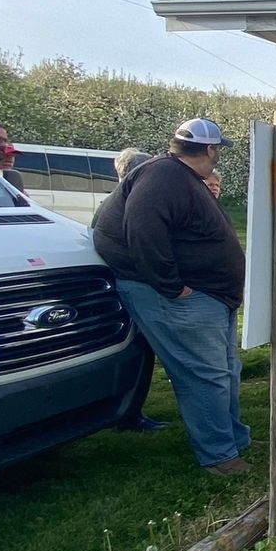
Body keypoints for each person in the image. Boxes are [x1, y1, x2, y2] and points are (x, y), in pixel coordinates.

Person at [91, 118, 251, 476]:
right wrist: (172, 285)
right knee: (204, 374)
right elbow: (143, 230)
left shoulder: (178, 176)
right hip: (179, 298)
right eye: (218, 149)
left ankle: (233, 438)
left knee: (225, 369)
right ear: (211, 149)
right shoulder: (163, 175)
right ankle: (220, 457)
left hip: (209, 296)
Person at [109, 145, 165, 435]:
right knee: (138, 351)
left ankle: (130, 412)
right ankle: (128, 414)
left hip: (135, 287)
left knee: (142, 352)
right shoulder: (130, 204)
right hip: (137, 289)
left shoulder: (122, 201)